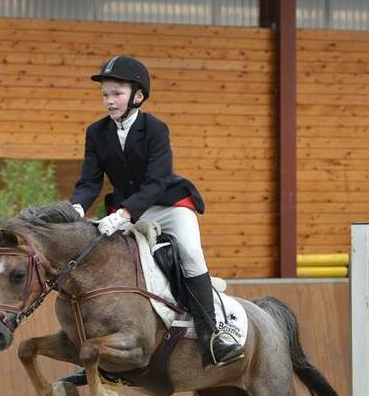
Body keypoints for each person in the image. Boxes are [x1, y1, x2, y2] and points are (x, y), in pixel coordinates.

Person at [69, 55, 243, 370]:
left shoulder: (155, 129)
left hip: (168, 206)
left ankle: (212, 336)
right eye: (105, 95)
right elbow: (90, 181)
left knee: (190, 254)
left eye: (116, 94)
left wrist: (124, 214)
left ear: (138, 95)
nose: (109, 101)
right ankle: (105, 348)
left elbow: (157, 181)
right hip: (127, 211)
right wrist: (76, 207)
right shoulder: (96, 132)